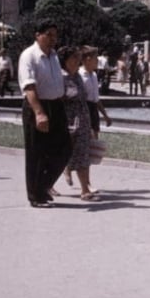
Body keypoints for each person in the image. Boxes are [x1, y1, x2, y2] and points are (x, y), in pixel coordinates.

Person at [18, 21, 71, 208]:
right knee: (37, 152)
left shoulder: (54, 56)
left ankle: (44, 185)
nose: (52, 39)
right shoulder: (29, 56)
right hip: (37, 106)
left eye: (55, 36)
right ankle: (36, 195)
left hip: (56, 105)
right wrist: (39, 113)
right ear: (37, 35)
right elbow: (29, 86)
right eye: (48, 35)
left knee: (65, 148)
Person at [58, 45, 99, 201]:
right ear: (65, 61)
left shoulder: (77, 77)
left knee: (83, 154)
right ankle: (48, 185)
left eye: (77, 57)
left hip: (82, 120)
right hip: (67, 122)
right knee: (61, 155)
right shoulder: (60, 77)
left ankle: (84, 190)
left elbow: (84, 99)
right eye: (74, 58)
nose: (77, 61)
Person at [80, 46, 112, 136]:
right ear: (88, 59)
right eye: (95, 58)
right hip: (84, 110)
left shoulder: (94, 75)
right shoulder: (79, 75)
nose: (98, 61)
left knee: (95, 138)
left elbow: (96, 98)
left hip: (93, 110)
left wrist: (105, 116)